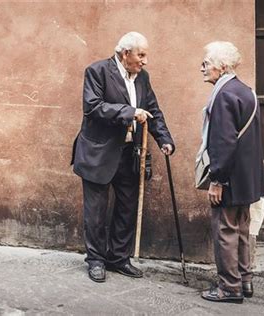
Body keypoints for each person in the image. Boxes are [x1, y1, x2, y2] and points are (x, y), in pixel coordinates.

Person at [71, 32, 175, 283]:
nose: (145, 61)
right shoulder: (97, 71)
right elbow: (93, 107)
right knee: (95, 212)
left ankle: (118, 258)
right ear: (125, 53)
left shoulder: (143, 78)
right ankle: (95, 260)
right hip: (98, 153)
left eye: (145, 55)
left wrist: (165, 140)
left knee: (127, 208)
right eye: (141, 55)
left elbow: (153, 110)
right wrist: (130, 112)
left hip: (129, 154)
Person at [197, 41, 264, 303]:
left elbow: (223, 142)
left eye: (206, 63)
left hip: (230, 179)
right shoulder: (246, 91)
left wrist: (217, 180)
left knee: (225, 230)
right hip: (247, 179)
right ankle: (245, 280)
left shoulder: (224, 94)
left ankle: (229, 287)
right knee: (241, 229)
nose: (202, 68)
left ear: (222, 66)